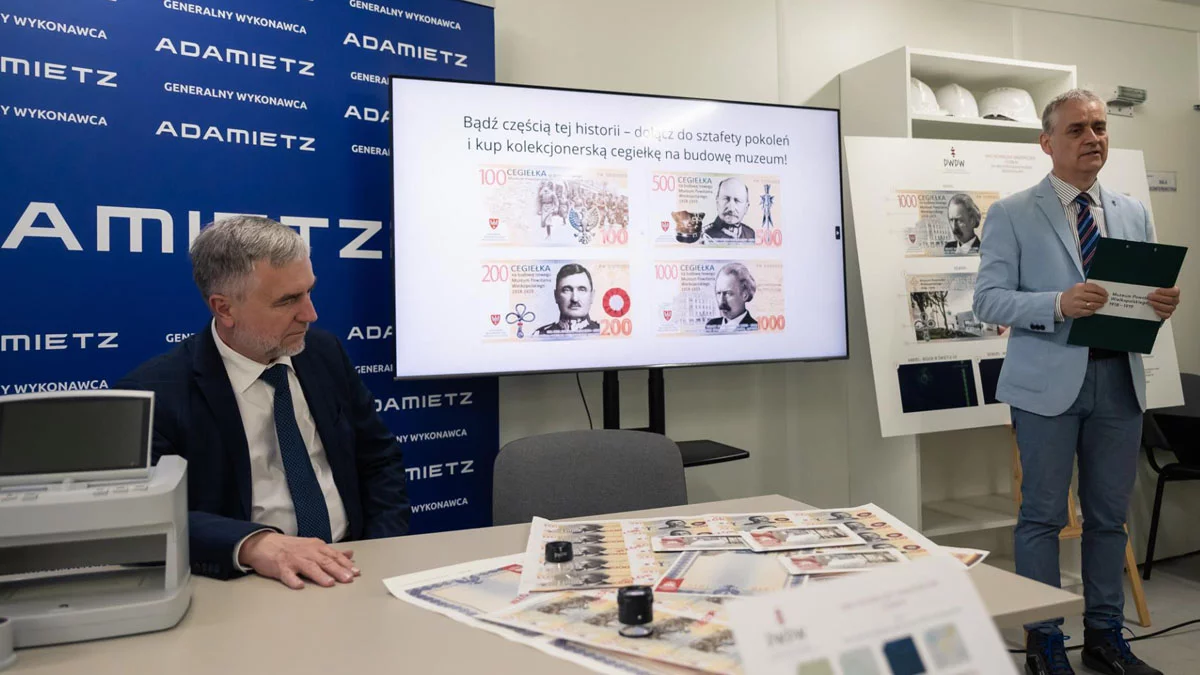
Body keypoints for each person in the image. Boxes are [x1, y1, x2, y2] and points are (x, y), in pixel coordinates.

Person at [974, 89, 1179, 675]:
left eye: (1100, 127)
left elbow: (1137, 294)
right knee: (1042, 517)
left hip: (1119, 380)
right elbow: (988, 301)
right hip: (1047, 386)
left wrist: (1161, 303)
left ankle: (1105, 637)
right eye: (1077, 129)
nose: (1093, 138)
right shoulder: (1013, 213)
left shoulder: (1132, 211)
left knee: (1109, 518)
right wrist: (1056, 303)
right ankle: (1044, 642)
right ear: (1047, 143)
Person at [118, 216, 411, 590]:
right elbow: (142, 516)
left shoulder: (325, 353)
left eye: (308, 291)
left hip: (353, 566)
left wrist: (382, 549)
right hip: (247, 584)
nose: (310, 314)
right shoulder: (156, 394)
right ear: (224, 309)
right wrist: (251, 544)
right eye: (287, 300)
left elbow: (378, 460)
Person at [533, 263, 600, 335]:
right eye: (567, 290)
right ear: (556, 296)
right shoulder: (540, 334)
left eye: (582, 290)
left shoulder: (603, 332)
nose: (574, 299)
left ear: (592, 296)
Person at [706, 263, 759, 332]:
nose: (721, 301)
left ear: (745, 295)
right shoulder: (711, 325)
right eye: (718, 293)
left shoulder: (756, 328)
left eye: (728, 293)